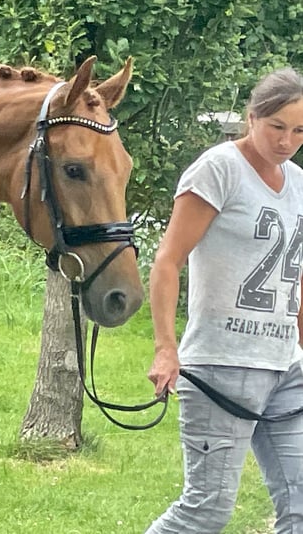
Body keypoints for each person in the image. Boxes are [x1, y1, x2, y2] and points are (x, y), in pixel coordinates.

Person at [146, 66, 303, 534]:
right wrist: (165, 347)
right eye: (277, 126)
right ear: (252, 117)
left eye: (299, 131)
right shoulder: (219, 169)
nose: (286, 140)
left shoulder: (298, 183)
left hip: (284, 366)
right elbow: (168, 261)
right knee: (206, 509)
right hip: (221, 365)